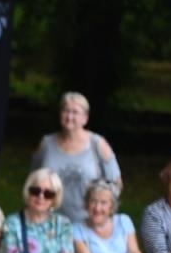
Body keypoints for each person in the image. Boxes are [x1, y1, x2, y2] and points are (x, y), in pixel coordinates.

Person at [29, 92, 122, 226]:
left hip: (87, 224)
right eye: (65, 111)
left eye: (75, 112)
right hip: (48, 222)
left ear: (85, 118)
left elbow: (116, 184)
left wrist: (101, 212)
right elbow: (33, 181)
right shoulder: (46, 144)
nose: (69, 116)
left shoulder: (98, 144)